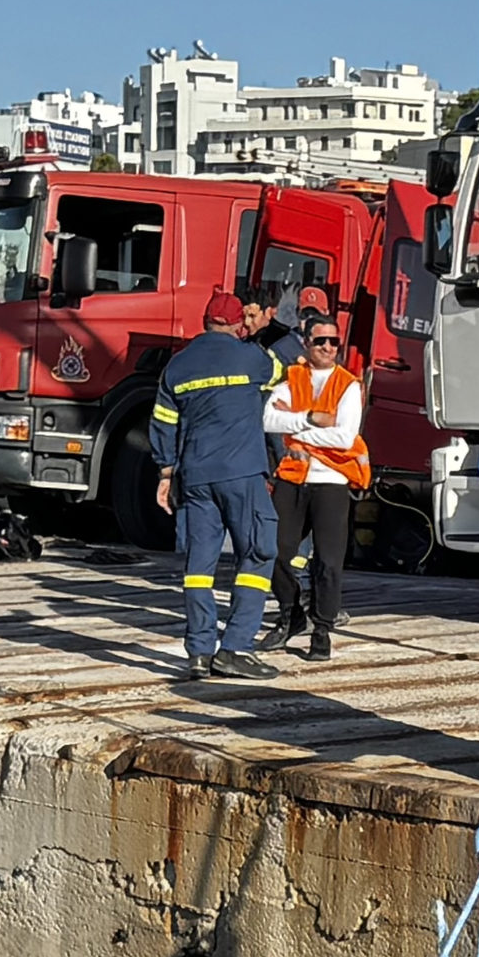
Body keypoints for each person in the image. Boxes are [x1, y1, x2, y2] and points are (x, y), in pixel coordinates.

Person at [150, 289, 283, 680]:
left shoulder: (177, 366)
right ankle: (237, 647)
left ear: (205, 321)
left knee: (198, 566)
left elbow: (162, 422)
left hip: (194, 477)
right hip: (241, 472)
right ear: (239, 323)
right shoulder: (251, 356)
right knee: (258, 553)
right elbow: (281, 369)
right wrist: (263, 331)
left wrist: (165, 474)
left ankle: (198, 653)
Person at [261, 311, 370, 663]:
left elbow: (344, 436)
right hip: (293, 477)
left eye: (333, 341)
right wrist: (308, 418)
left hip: (331, 481)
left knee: (328, 561)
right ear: (306, 342)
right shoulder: (292, 377)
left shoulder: (348, 385)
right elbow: (267, 418)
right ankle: (291, 613)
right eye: (319, 340)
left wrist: (297, 435)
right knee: (273, 551)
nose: (327, 347)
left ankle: (321, 630)